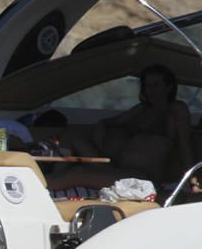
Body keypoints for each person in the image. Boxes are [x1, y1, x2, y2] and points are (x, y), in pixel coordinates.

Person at [47, 64, 193, 190]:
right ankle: (55, 177)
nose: (151, 90)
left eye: (156, 85)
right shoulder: (142, 109)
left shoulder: (176, 110)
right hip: (117, 168)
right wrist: (100, 128)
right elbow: (110, 122)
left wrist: (191, 178)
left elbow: (185, 145)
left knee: (78, 173)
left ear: (169, 87)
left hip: (143, 176)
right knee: (70, 135)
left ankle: (43, 189)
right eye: (147, 85)